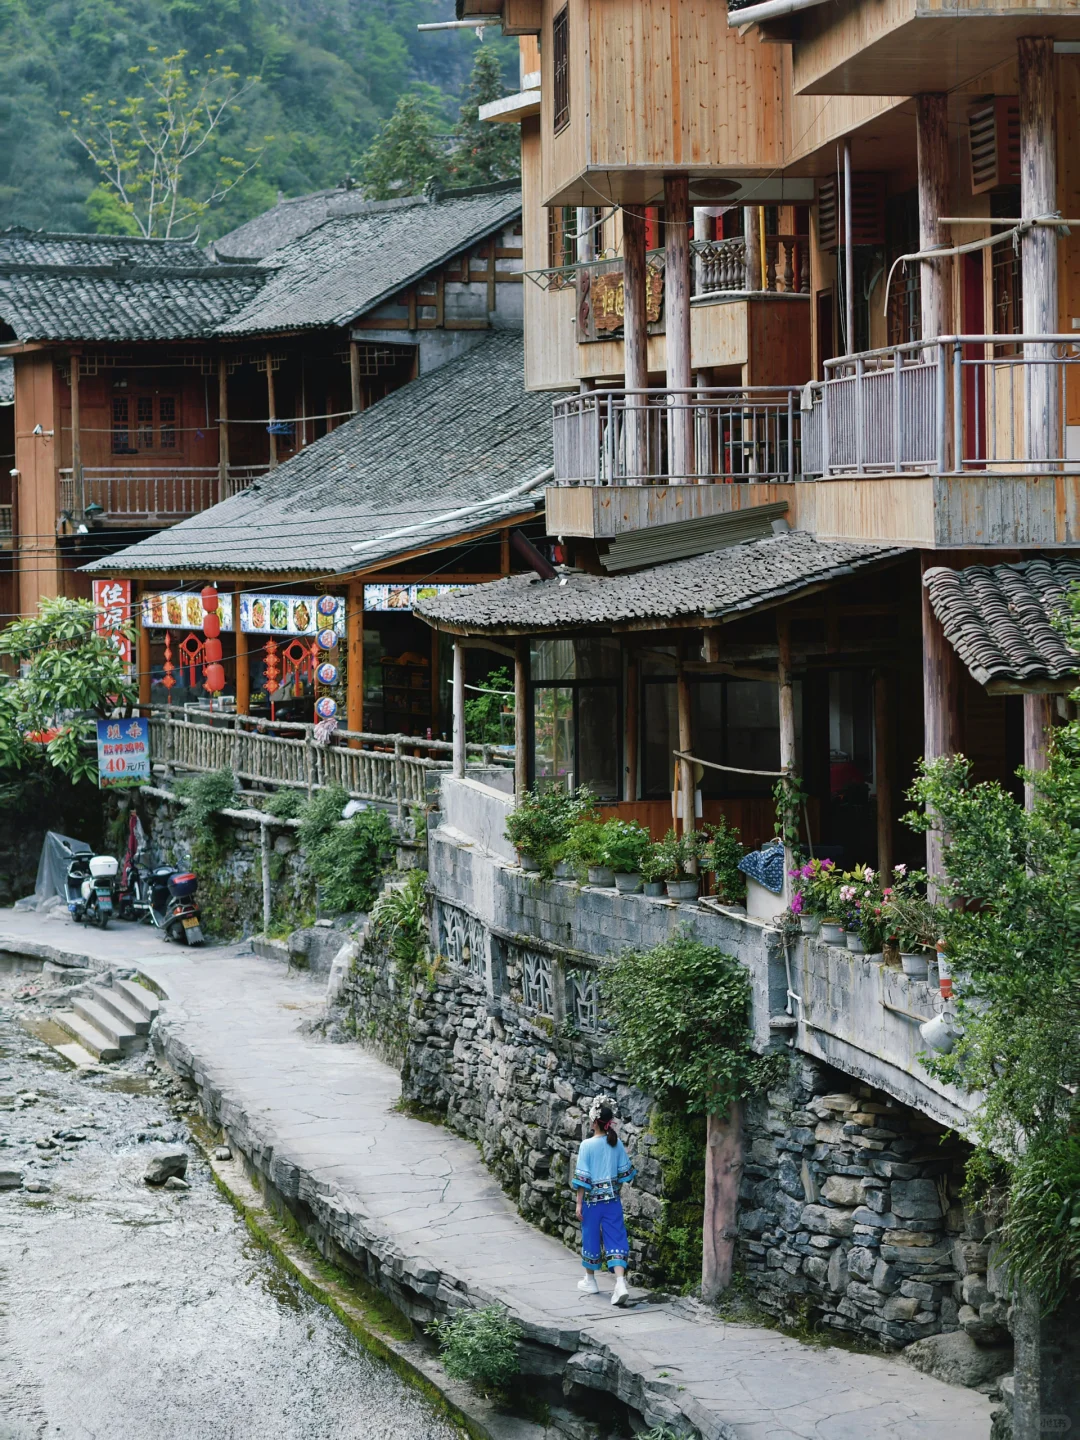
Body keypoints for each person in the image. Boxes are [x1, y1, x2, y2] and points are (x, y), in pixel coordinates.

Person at [571, 1098, 636, 1306]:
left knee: (590, 1235)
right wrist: (613, 1190)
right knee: (616, 1237)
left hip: (592, 1202)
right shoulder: (616, 1144)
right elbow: (625, 1174)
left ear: (594, 1122)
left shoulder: (587, 1145)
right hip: (613, 1201)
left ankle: (590, 1280)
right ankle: (620, 1282)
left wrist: (579, 1203)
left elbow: (583, 1179)